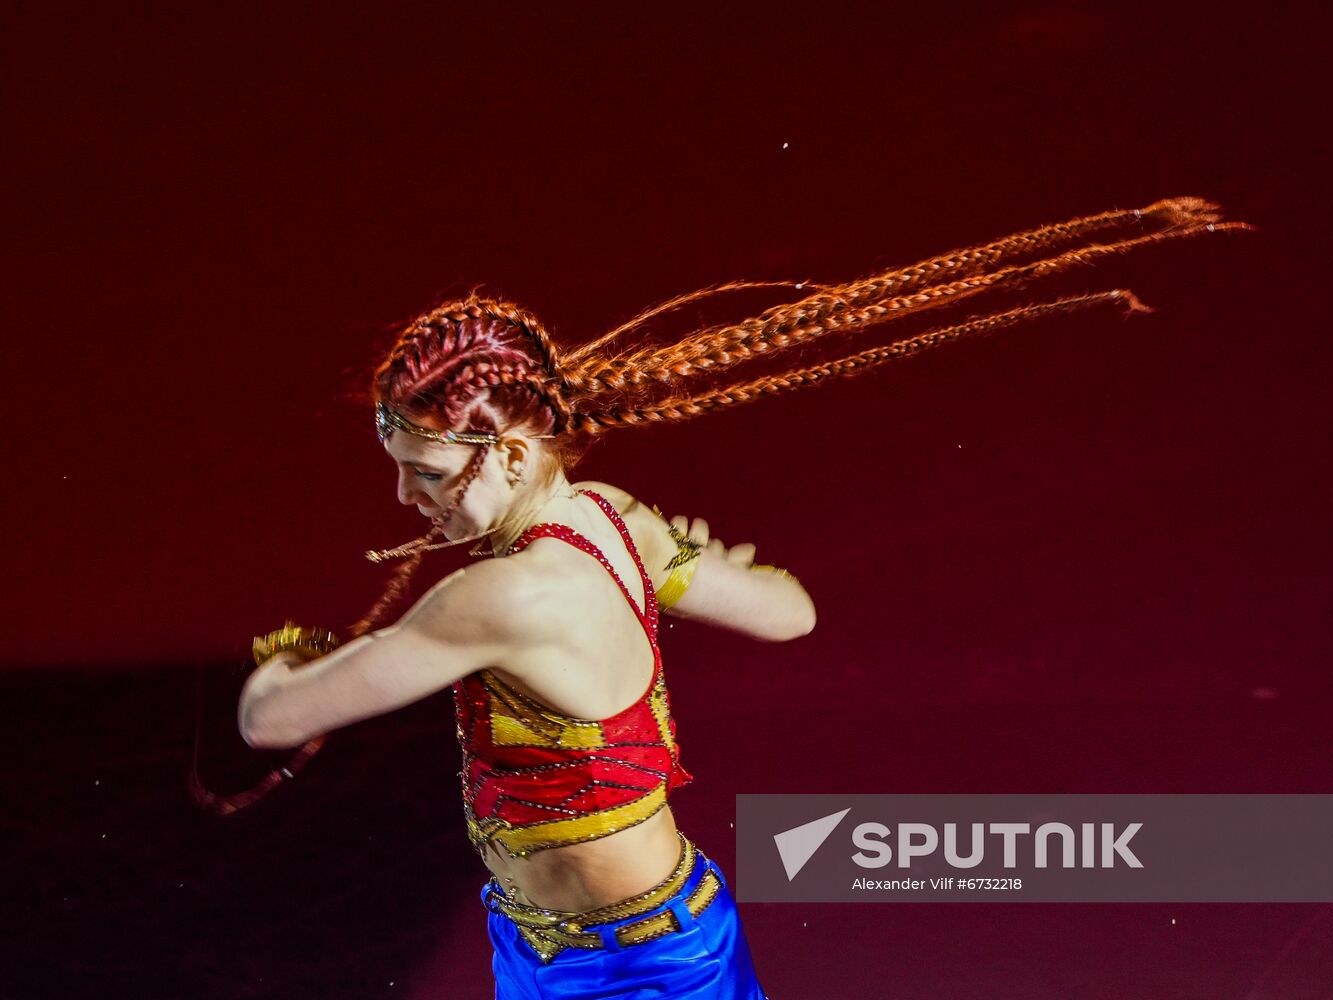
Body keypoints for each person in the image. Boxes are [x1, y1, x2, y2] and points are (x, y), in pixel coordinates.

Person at [229, 197, 1246, 998]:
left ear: (509, 449)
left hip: (634, 967)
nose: (406, 498)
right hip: (592, 938)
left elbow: (272, 716)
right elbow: (785, 609)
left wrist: (289, 655)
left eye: (424, 470)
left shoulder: (496, 597)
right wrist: (688, 554)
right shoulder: (615, 518)